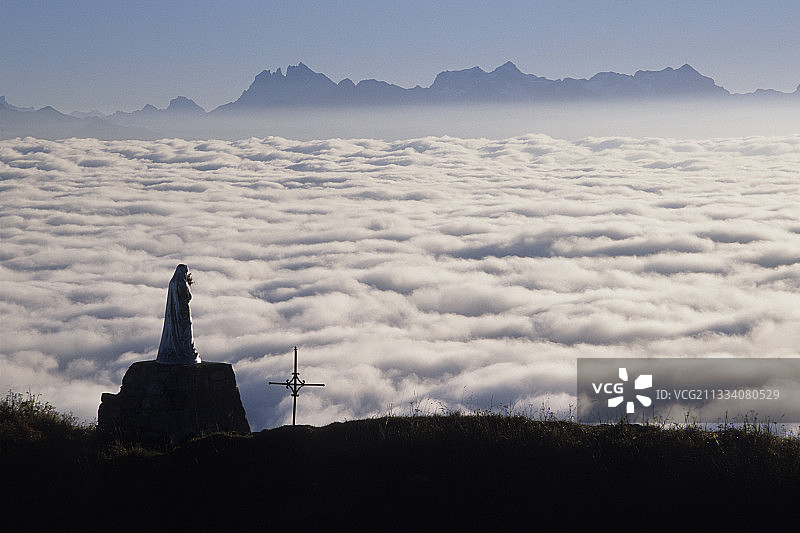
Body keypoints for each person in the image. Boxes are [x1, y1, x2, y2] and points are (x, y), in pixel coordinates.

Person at [156, 264, 201, 364]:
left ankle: (174, 348)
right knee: (184, 331)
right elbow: (188, 296)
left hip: (173, 312)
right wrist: (188, 286)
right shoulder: (182, 283)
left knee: (174, 331)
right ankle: (184, 350)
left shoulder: (172, 282)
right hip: (183, 312)